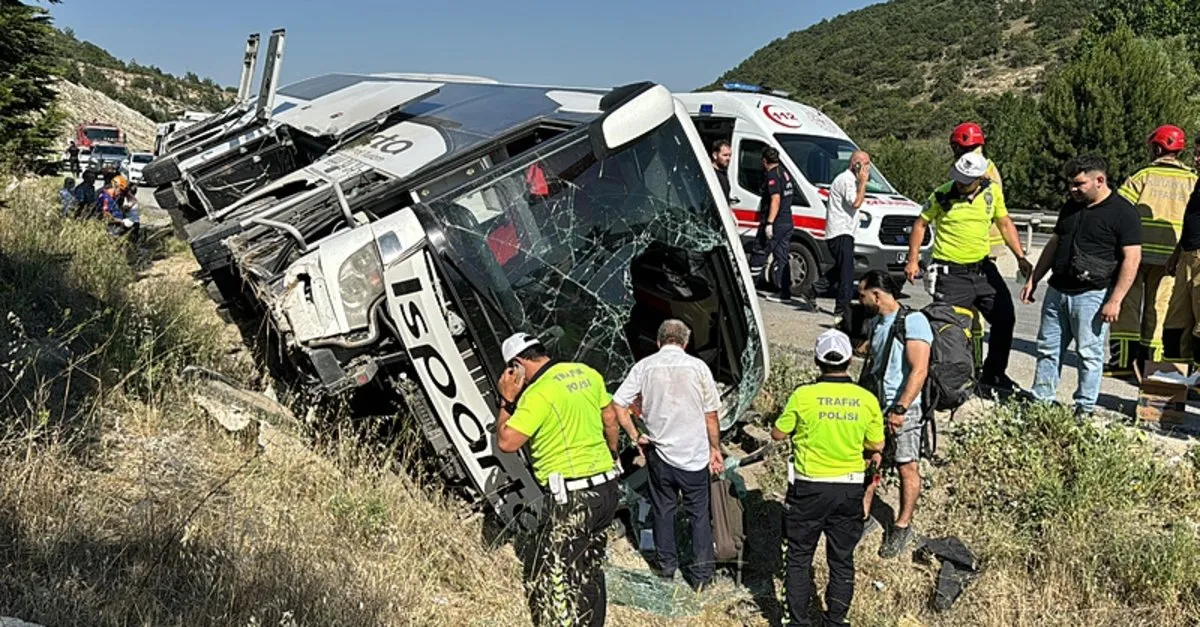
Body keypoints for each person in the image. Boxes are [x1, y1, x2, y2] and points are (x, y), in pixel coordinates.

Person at [494, 332, 620, 627]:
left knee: (561, 575)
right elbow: (610, 419)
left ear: (517, 364)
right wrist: (612, 454)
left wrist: (506, 400)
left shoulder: (539, 393)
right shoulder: (586, 373)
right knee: (590, 570)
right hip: (607, 489)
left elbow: (507, 441)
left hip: (573, 497)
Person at [771, 329, 885, 626]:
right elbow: (877, 444)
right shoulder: (866, 399)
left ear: (817, 361)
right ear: (850, 360)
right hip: (848, 489)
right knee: (842, 560)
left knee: (798, 558)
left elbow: (778, 433)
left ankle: (797, 622)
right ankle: (835, 621)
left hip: (808, 487)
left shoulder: (803, 396)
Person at [1022, 156, 1141, 416]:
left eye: (1079, 184)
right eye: (1071, 184)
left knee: (1088, 354)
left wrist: (1115, 300)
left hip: (1092, 296)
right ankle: (1040, 403)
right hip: (1057, 291)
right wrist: (1035, 278)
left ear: (1100, 180)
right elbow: (1054, 243)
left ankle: (1084, 409)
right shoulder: (1071, 207)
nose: (1073, 189)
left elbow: (1132, 258)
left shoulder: (1123, 212)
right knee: (1047, 349)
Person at [905, 152, 1032, 390]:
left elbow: (1004, 223)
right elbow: (920, 224)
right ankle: (948, 378)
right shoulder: (942, 195)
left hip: (983, 270)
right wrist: (913, 260)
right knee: (949, 328)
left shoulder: (991, 192)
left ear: (979, 177)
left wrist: (1020, 257)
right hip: (951, 274)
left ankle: (994, 374)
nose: (960, 184)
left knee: (1005, 317)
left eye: (966, 180)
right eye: (958, 179)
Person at [612, 319, 723, 591]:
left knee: (663, 510)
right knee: (699, 515)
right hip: (694, 456)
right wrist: (715, 449)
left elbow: (618, 403)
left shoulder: (645, 367)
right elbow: (711, 416)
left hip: (659, 454)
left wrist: (634, 434)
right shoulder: (698, 368)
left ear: (659, 342)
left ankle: (666, 568)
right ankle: (702, 577)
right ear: (686, 343)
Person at [1110, 125, 1198, 376]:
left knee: (1127, 305)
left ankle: (1123, 364)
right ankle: (1151, 365)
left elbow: (1118, 212)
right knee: (1159, 310)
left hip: (1135, 254)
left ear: (1157, 148)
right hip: (1173, 257)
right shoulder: (1192, 179)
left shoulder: (1142, 177)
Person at [857, 270, 931, 557]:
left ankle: (902, 525)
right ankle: (863, 518)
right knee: (870, 459)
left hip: (904, 409)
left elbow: (919, 370)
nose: (860, 300)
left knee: (906, 466)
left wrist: (900, 407)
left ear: (877, 295)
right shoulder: (877, 322)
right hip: (876, 408)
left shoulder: (914, 322)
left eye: (863, 295)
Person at [950, 122, 1005, 364]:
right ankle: (977, 361)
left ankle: (974, 361)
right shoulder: (989, 166)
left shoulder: (975, 168)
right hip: (986, 245)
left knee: (971, 312)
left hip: (974, 248)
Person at [1164, 136, 1200, 365]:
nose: (1196, 159)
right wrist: (1176, 254)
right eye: (1196, 154)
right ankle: (1171, 386)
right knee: (1176, 322)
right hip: (1187, 256)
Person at [824, 151, 871, 322]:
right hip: (840, 232)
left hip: (846, 231)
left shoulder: (853, 181)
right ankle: (841, 309)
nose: (868, 168)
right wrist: (863, 183)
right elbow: (856, 202)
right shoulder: (846, 180)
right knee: (847, 273)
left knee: (839, 268)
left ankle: (812, 289)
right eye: (865, 164)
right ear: (855, 164)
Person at [748, 146, 796, 304]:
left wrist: (769, 223)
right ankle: (785, 293)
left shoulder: (772, 175)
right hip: (787, 221)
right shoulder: (784, 173)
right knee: (782, 256)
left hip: (776, 222)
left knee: (759, 251)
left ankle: (747, 289)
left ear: (764, 161)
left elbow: (775, 199)